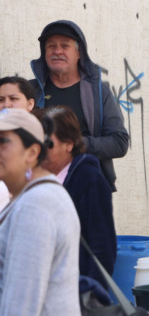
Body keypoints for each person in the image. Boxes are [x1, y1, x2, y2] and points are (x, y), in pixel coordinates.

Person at [0, 108, 84, 316]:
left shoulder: (38, 204)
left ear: (33, 152)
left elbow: (24, 291)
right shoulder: (27, 200)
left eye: (4, 142)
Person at [30, 20, 129, 191]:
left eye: (65, 46)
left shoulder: (98, 92)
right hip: (39, 186)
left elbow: (119, 143)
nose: (57, 51)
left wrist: (75, 145)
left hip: (87, 187)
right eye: (51, 46)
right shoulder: (31, 91)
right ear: (44, 53)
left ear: (79, 53)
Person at [37, 105, 116, 289]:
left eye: (48, 143)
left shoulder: (89, 179)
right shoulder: (38, 178)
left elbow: (102, 247)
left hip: (77, 293)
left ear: (69, 144)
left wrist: (91, 293)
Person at [0, 77, 38, 209]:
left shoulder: (43, 137)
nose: (6, 105)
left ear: (30, 104)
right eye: (1, 100)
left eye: (13, 99)